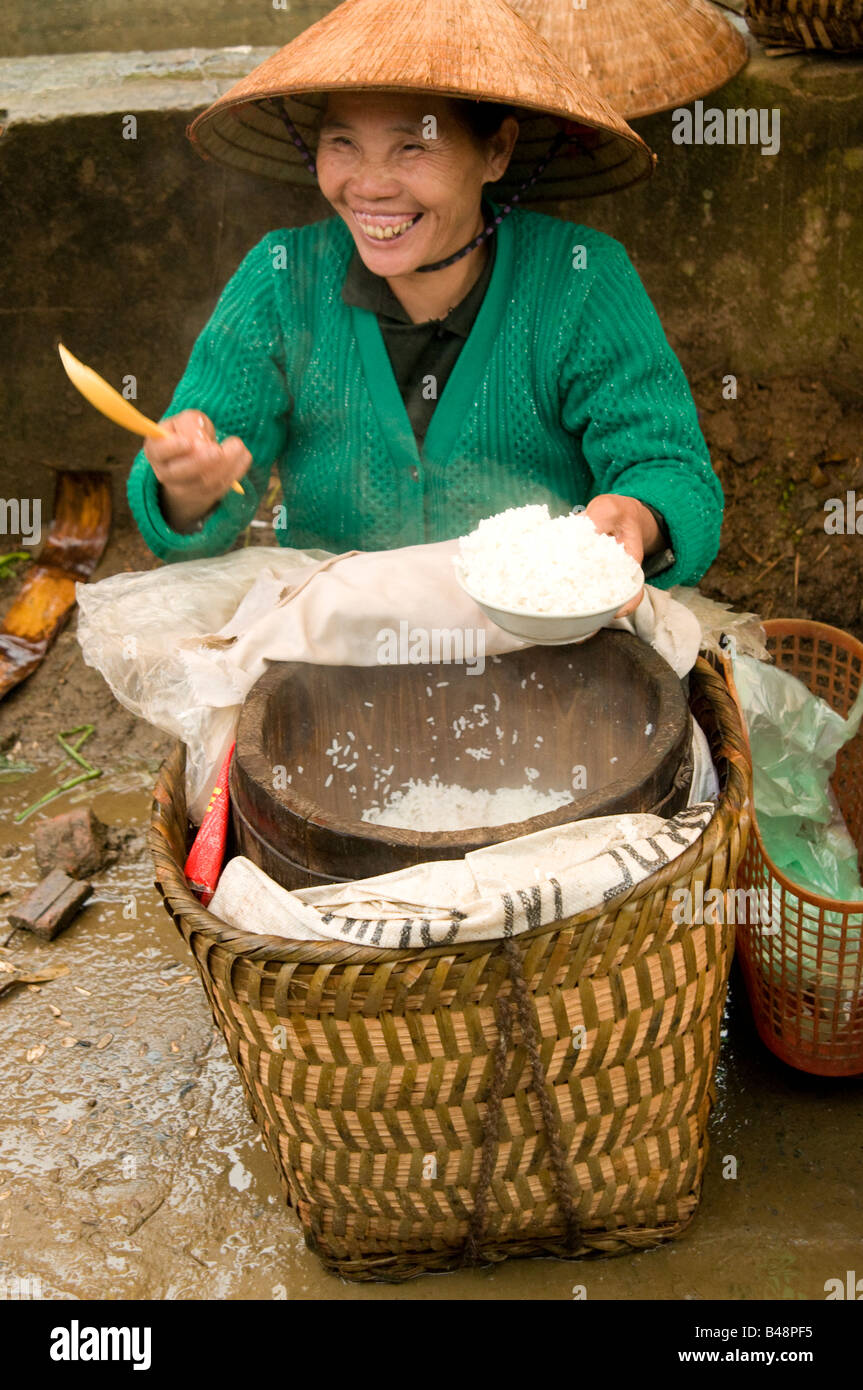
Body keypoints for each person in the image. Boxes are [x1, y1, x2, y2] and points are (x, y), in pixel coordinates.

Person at [128, 0, 723, 616]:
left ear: (498, 151)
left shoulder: (581, 278)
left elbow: (671, 470)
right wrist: (185, 489)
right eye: (343, 143)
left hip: (539, 643)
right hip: (334, 644)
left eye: (412, 146)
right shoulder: (282, 280)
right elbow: (193, 491)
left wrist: (640, 516)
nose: (370, 185)